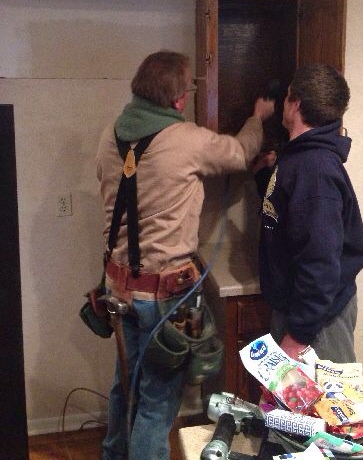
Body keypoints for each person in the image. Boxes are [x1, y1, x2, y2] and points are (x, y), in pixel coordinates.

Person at [96, 50, 274, 460]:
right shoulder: (187, 139)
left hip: (119, 287)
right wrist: (258, 118)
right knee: (159, 397)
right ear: (179, 99)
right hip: (169, 293)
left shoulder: (111, 134)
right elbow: (239, 151)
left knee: (126, 384)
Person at [254, 64, 363, 364]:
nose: (283, 103)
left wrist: (299, 335)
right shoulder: (299, 158)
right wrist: (265, 175)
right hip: (302, 311)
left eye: (287, 96)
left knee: (326, 407)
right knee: (294, 409)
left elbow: (320, 262)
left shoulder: (314, 169)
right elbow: (286, 213)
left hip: (319, 324)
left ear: (297, 104)